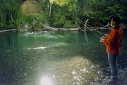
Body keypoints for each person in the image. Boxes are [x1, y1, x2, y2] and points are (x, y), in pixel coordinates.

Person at [100, 16, 123, 84]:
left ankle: (113, 80)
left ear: (114, 22)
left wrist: (103, 40)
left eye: (111, 21)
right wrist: (106, 36)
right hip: (116, 50)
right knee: (115, 65)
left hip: (112, 51)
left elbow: (110, 43)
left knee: (112, 66)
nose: (110, 22)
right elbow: (112, 38)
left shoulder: (115, 31)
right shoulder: (119, 29)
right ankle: (115, 77)